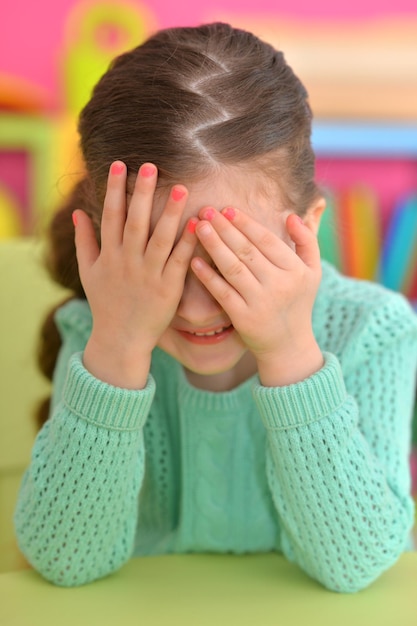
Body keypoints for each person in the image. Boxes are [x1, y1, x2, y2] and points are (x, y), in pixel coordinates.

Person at [14, 22, 417, 593]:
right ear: (104, 247)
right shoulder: (98, 330)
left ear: (308, 229)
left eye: (233, 259)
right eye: (161, 260)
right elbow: (66, 560)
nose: (200, 308)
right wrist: (119, 350)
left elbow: (355, 563)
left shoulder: (372, 330)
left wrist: (289, 353)